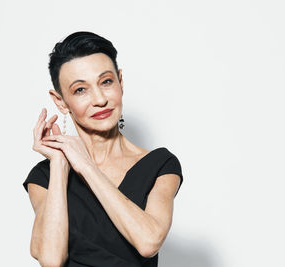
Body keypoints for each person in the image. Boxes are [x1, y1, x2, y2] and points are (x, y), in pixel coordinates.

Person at [22, 31, 183, 267]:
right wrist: (59, 164)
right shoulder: (45, 176)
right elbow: (50, 259)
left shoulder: (161, 165)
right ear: (60, 101)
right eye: (80, 90)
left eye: (106, 82)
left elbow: (149, 241)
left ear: (120, 82)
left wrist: (86, 166)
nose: (99, 99)